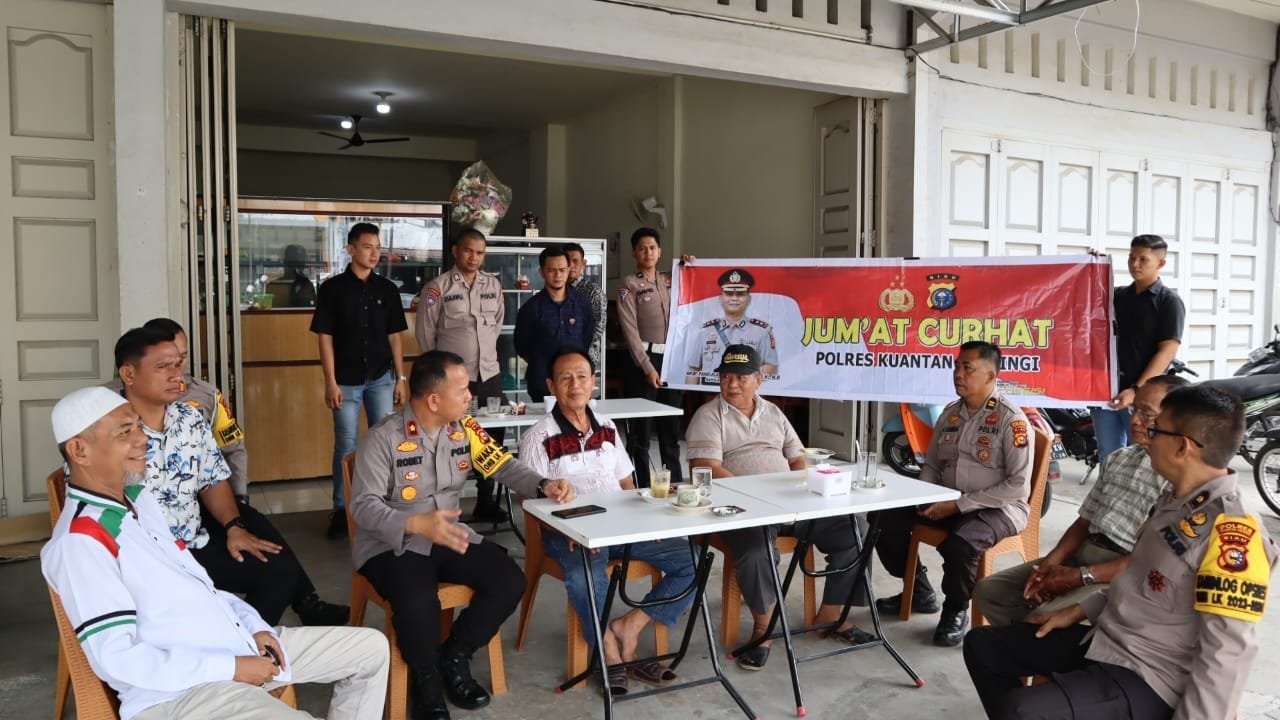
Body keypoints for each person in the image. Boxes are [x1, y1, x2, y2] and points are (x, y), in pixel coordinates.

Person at [42, 386, 390, 720]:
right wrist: (232, 668)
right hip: (183, 694)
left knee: (371, 650)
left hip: (232, 645)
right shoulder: (81, 542)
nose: (142, 438)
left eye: (138, 426)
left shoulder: (138, 499)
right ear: (79, 450)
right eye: (125, 432)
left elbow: (202, 587)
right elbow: (118, 659)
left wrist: (255, 627)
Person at [964, 385, 1277, 720]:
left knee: (1022, 710)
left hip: (1153, 675)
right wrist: (1076, 611)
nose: (1146, 434)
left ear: (1182, 447)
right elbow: (1139, 581)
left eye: (1156, 430)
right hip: (1109, 639)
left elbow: (1227, 653)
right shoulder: (1175, 502)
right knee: (984, 647)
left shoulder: (1233, 535)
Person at [349, 350, 576, 720]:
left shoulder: (464, 428)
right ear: (433, 400)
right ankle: (426, 682)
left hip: (449, 535)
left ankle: (454, 656)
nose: (470, 396)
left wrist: (544, 484)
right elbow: (362, 506)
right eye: (462, 390)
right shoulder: (382, 439)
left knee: (508, 579)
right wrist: (414, 524)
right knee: (418, 601)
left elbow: (504, 467)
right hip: (391, 544)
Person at [114, 327, 348, 627]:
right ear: (128, 374)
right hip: (141, 557)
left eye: (178, 363)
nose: (177, 375)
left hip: (192, 544)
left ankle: (240, 645)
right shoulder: (106, 431)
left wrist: (234, 527)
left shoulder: (189, 418)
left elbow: (212, 479)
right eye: (163, 367)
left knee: (280, 572)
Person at [519, 345, 696, 694]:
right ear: (551, 386)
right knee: (585, 574)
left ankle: (630, 626)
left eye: (582, 377)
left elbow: (627, 484)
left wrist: (646, 519)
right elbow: (530, 502)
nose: (575, 385)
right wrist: (564, 528)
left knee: (692, 560)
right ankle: (609, 652)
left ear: (593, 382)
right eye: (565, 379)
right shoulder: (538, 437)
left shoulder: (608, 427)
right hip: (569, 531)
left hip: (621, 526)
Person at [686, 344, 871, 670]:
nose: (732, 384)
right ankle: (764, 628)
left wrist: (801, 486)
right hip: (740, 508)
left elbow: (797, 457)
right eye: (726, 377)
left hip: (788, 503)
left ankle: (833, 614)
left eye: (741, 377)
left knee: (856, 529)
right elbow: (705, 468)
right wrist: (757, 495)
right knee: (756, 551)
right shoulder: (709, 415)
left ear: (759, 379)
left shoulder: (773, 412)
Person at [973, 374, 1190, 626]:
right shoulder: (1120, 458)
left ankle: (1041, 645)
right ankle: (1029, 647)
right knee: (990, 592)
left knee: (1041, 620)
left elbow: (1151, 561)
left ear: (1177, 420)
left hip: (1124, 572)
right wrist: (1050, 566)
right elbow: (1084, 520)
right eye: (1134, 409)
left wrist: (1078, 577)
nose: (1134, 419)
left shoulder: (1181, 480)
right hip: (1085, 552)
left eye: (1147, 413)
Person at [873, 341, 1033, 647]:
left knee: (962, 543)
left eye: (967, 368)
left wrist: (958, 505)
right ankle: (918, 590)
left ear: (990, 376)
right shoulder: (950, 413)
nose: (958, 374)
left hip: (998, 508)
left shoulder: (1011, 420)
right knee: (884, 518)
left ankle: (956, 607)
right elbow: (932, 464)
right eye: (957, 366)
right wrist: (926, 496)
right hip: (948, 500)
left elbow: (1017, 486)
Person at [312, 222, 410, 538]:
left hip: (381, 377)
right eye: (367, 247)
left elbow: (395, 337)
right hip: (346, 379)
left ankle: (384, 505)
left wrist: (401, 377)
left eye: (377, 247)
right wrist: (330, 381)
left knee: (384, 442)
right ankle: (342, 509)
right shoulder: (332, 289)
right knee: (346, 444)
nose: (374, 253)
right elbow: (324, 337)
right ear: (351, 249)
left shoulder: (387, 289)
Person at [103, 318, 252, 505]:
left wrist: (240, 499)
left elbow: (232, 449)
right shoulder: (104, 403)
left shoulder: (206, 396)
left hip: (198, 500)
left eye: (181, 358)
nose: (176, 371)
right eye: (163, 364)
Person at [415, 228, 507, 521]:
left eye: (480, 253)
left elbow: (497, 324)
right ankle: (443, 506)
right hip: (453, 382)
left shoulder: (493, 284)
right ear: (456, 250)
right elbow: (425, 333)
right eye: (468, 251)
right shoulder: (437, 288)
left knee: (490, 439)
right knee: (451, 439)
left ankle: (486, 500)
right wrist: (438, 374)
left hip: (488, 375)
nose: (474, 257)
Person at [1092, 234, 1186, 464]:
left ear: (1160, 263)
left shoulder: (1168, 302)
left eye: (1143, 259)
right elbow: (1086, 299)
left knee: (1142, 458)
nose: (1135, 264)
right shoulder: (1118, 296)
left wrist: (1136, 389)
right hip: (1106, 393)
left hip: (1142, 398)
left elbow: (1167, 352)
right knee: (1108, 457)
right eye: (1131, 258)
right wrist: (1092, 268)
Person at [617, 227, 683, 488]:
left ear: (660, 251)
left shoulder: (671, 280)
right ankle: (642, 486)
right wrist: (646, 366)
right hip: (643, 362)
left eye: (652, 248)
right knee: (641, 432)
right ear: (634, 253)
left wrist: (689, 266)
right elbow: (630, 332)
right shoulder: (629, 285)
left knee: (671, 429)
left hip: (671, 362)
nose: (648, 253)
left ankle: (675, 484)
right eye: (642, 248)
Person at [513, 245, 594, 403]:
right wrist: (542, 362)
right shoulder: (531, 308)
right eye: (551, 270)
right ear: (542, 272)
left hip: (577, 384)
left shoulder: (582, 303)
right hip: (542, 384)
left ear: (569, 269)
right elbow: (521, 346)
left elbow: (586, 337)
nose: (558, 275)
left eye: (562, 270)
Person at [683, 268, 779, 384]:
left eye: (740, 294)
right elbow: (694, 369)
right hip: (709, 391)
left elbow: (772, 367)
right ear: (721, 299)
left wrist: (745, 377)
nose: (734, 298)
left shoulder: (761, 332)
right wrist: (691, 394)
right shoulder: (706, 331)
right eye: (729, 294)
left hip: (743, 392)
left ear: (748, 299)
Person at [564, 242, 606, 370]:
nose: (571, 265)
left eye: (575, 261)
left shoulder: (593, 291)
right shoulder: (557, 290)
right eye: (567, 261)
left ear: (583, 263)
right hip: (559, 356)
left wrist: (577, 349)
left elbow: (599, 326)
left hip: (585, 357)